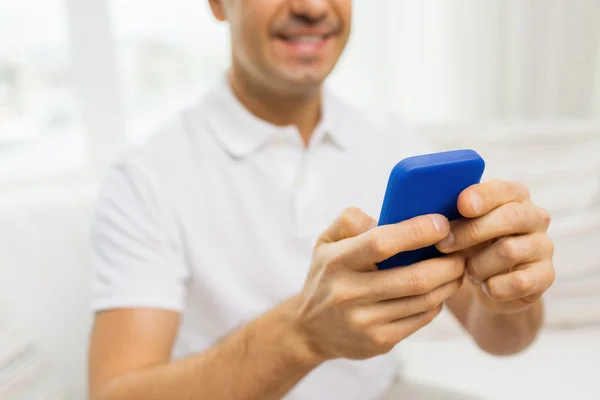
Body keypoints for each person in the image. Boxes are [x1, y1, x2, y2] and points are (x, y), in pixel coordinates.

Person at [87, 1, 556, 399]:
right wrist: (303, 335)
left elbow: (498, 337)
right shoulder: (146, 177)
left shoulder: (393, 140)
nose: (313, 7)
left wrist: (512, 292)